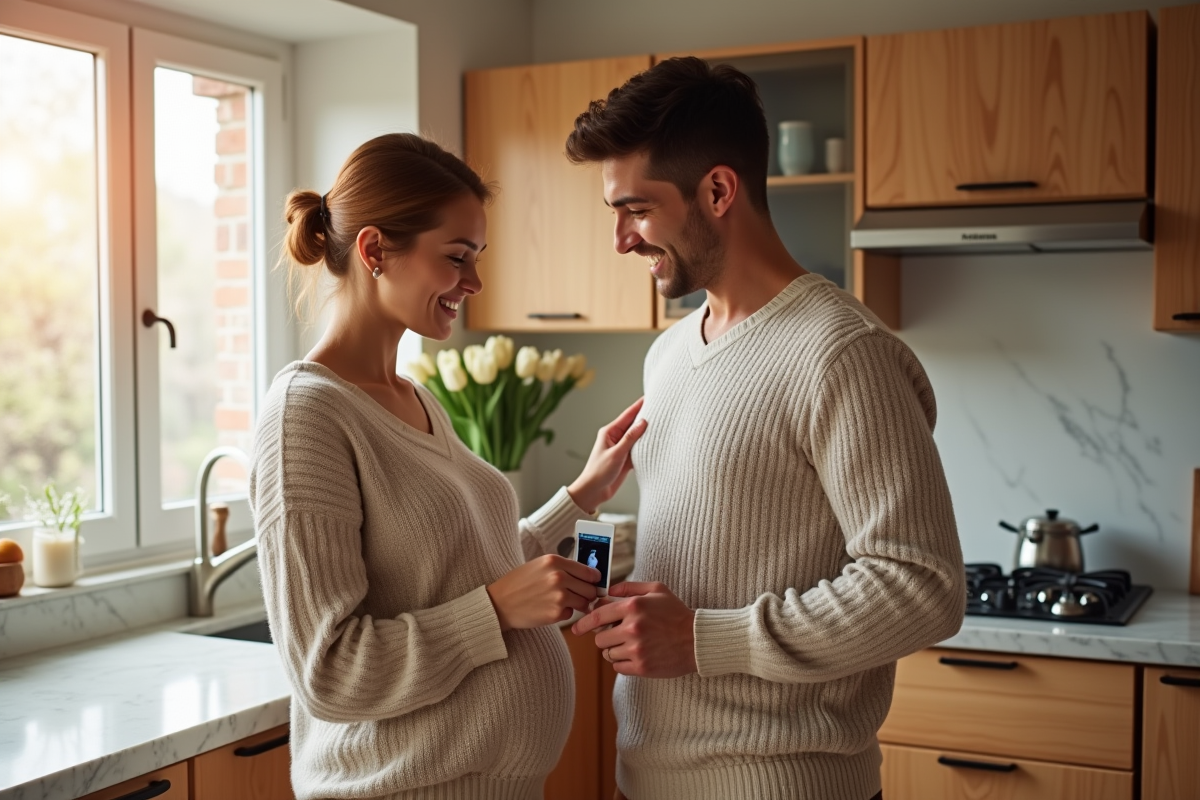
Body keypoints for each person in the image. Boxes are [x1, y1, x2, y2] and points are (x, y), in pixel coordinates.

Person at [566, 58, 966, 800]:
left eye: (636, 209)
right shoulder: (671, 353)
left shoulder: (842, 354)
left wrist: (702, 638)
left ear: (718, 191)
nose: (621, 240)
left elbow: (923, 587)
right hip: (647, 779)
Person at [249, 132, 648, 800]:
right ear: (376, 250)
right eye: (457, 257)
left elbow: (468, 564)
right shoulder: (307, 416)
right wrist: (493, 612)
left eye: (477, 257)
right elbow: (330, 672)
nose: (475, 282)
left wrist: (581, 497)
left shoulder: (412, 397)